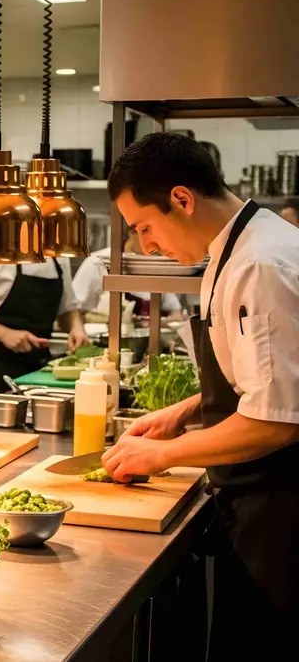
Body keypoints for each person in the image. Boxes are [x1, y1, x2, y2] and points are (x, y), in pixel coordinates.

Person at [101, 132, 299, 659]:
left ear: (182, 199)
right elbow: (264, 379)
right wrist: (185, 412)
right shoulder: (233, 252)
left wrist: (162, 454)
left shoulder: (261, 263)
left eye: (144, 226)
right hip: (255, 498)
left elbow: (278, 420)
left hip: (281, 509)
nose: (146, 247)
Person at [0, 246, 90, 393]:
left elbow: (67, 309)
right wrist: (5, 334)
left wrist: (77, 328)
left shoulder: (59, 257)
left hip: (40, 372)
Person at [72, 228, 185, 322]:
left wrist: (170, 322)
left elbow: (174, 309)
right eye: (151, 236)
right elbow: (74, 309)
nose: (155, 245)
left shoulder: (157, 265)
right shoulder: (98, 262)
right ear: (132, 232)